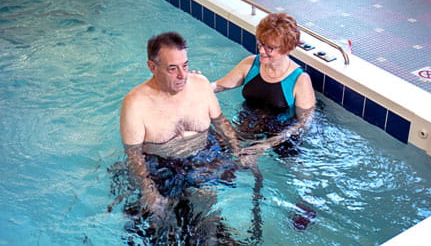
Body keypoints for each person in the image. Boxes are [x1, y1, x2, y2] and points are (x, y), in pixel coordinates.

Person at [118, 32, 258, 243]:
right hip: (161, 167)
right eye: (172, 68)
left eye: (185, 65)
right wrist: (149, 190)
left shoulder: (200, 85)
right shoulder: (135, 103)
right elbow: (134, 154)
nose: (183, 75)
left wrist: (238, 150)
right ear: (152, 67)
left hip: (204, 158)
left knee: (206, 219)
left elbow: (221, 122)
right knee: (165, 227)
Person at [210, 12, 316, 155]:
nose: (261, 51)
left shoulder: (300, 80)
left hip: (282, 134)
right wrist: (196, 84)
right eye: (260, 44)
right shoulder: (251, 64)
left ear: (287, 48)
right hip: (250, 124)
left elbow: (304, 124)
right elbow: (219, 85)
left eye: (269, 48)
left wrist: (267, 144)